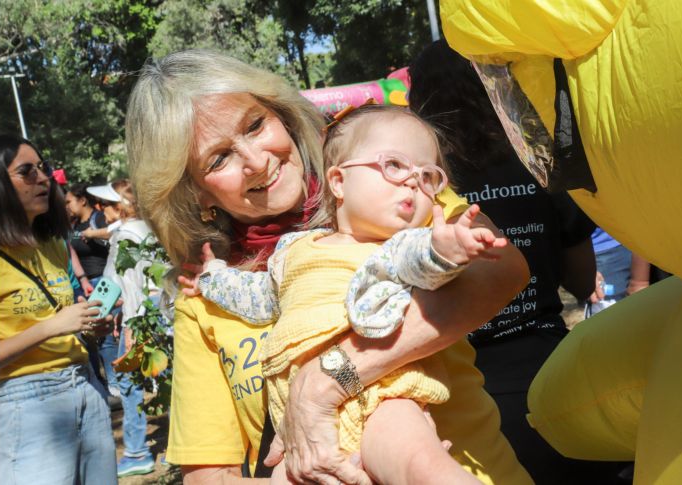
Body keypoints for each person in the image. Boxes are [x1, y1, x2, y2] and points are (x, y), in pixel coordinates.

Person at [126, 49, 532, 485]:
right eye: (218, 158)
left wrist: (325, 380)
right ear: (196, 193)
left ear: (281, 114)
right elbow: (208, 478)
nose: (257, 160)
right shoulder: (206, 298)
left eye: (255, 125)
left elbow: (504, 268)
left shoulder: (388, 190)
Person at [187, 104, 507, 483]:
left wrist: (449, 250)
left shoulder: (401, 244)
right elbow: (257, 296)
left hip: (384, 398)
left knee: (422, 467)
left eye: (427, 176)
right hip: (300, 431)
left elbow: (424, 260)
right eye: (394, 166)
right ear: (337, 182)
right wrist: (212, 277)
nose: (412, 182)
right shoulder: (293, 251)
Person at [408, 39, 629, 484]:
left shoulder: (417, 187)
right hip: (552, 375)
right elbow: (582, 276)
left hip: (462, 392)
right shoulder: (534, 163)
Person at [0, 134, 118, 484]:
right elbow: (51, 326)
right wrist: (52, 326)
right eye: (26, 171)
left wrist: (88, 325)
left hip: (86, 387)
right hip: (24, 403)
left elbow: (65, 322)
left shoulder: (51, 243)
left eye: (42, 167)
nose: (43, 178)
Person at [92, 180, 159, 477]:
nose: (101, 209)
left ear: (121, 206)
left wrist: (130, 326)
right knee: (171, 376)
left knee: (130, 385)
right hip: (161, 314)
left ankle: (136, 451)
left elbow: (130, 287)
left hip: (140, 317)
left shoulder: (125, 235)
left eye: (105, 204)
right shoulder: (149, 228)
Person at [65, 183, 120, 397]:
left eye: (69, 201)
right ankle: (100, 382)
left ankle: (114, 383)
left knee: (105, 337)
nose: (67, 206)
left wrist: (93, 232)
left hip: (102, 283)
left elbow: (115, 231)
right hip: (86, 287)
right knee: (90, 338)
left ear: (82, 200)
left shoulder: (97, 218)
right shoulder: (73, 226)